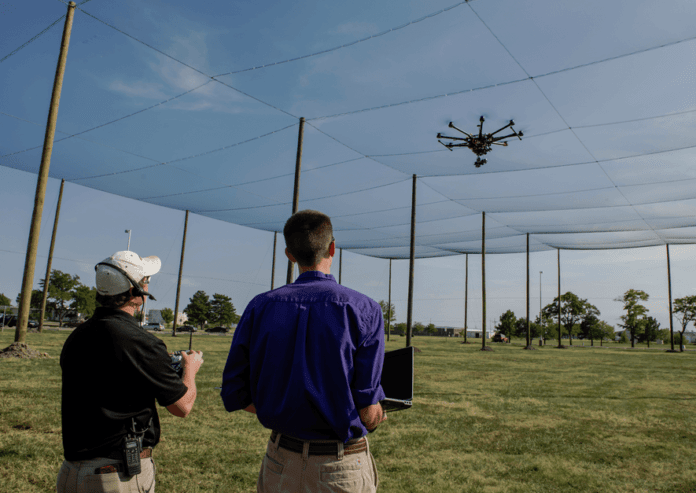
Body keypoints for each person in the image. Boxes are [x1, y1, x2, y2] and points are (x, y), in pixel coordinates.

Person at [221, 210, 388, 492]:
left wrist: (286, 409)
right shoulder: (364, 308)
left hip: (280, 461)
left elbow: (235, 392)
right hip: (341, 466)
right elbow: (368, 412)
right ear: (332, 247)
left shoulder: (260, 306)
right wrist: (377, 414)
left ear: (289, 254)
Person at [57, 250, 204, 493]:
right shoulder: (141, 342)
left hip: (72, 473)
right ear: (137, 291)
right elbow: (182, 407)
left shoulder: (78, 336)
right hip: (114, 478)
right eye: (146, 280)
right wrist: (190, 368)